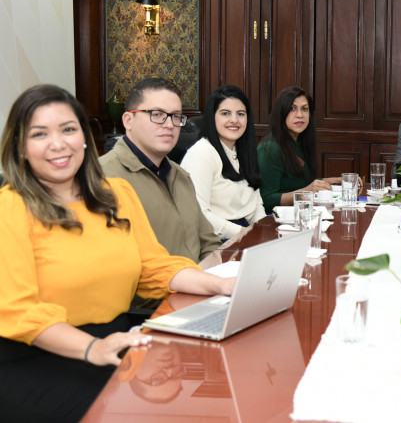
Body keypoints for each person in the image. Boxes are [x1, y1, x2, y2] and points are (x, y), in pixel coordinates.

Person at [0, 85, 235, 421]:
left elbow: (153, 268)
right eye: (39, 134)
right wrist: (92, 348)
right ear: (21, 147)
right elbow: (17, 310)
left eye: (68, 129)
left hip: (116, 342)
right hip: (36, 356)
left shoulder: (117, 194)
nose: (58, 143)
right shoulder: (10, 207)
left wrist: (222, 285)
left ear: (83, 137)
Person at [100, 78, 221, 264]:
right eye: (156, 114)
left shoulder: (181, 176)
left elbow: (208, 243)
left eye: (176, 116)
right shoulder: (102, 177)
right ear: (128, 120)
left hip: (200, 286)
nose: (169, 124)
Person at [181, 85, 266, 240]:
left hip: (244, 233)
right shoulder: (202, 153)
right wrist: (246, 234)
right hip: (214, 238)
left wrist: (264, 232)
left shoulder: (243, 150)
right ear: (212, 117)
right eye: (225, 113)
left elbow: (256, 205)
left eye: (240, 114)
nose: (234, 120)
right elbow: (200, 215)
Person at [257, 87, 342, 212]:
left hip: (301, 215)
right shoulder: (269, 149)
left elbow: (299, 184)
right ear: (281, 113)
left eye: (304, 109)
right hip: (275, 222)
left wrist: (333, 182)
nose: (300, 115)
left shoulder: (300, 141)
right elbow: (265, 200)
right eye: (292, 108)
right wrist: (306, 192)